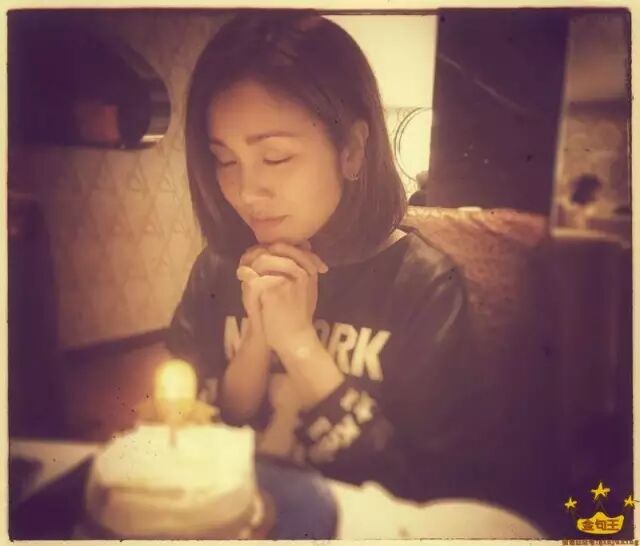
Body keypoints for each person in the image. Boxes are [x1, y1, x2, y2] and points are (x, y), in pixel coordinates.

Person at [166, 10, 507, 505]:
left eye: (276, 157)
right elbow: (182, 442)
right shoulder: (219, 269)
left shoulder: (422, 285)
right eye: (225, 159)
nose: (246, 191)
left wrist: (300, 346)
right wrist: (257, 341)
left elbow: (436, 495)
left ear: (351, 150)